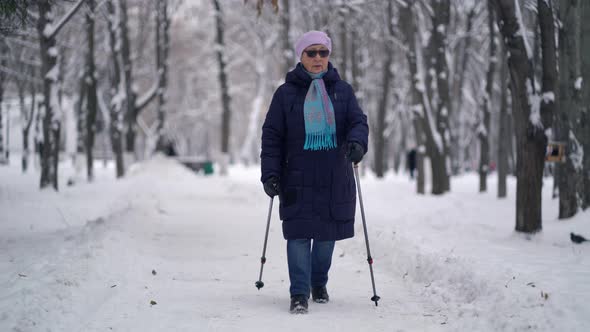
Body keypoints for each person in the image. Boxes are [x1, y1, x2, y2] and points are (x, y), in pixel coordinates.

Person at [260, 30, 369, 314]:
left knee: (325, 236)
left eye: (323, 52)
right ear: (301, 56)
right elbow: (272, 136)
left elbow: (358, 122)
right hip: (296, 176)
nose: (318, 58)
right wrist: (270, 173)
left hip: (334, 176)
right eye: (312, 53)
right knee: (297, 235)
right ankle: (299, 293)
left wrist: (357, 143)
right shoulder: (285, 94)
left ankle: (318, 282)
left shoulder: (342, 91)